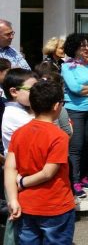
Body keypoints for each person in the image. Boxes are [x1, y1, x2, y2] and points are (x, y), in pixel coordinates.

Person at [4, 79, 76, 244]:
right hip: (55, 206)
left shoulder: (19, 133)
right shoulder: (59, 136)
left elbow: (9, 168)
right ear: (57, 106)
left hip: (26, 205)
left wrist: (13, 200)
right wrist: (22, 182)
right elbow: (47, 173)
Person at [60, 33, 88, 198]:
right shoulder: (67, 67)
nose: (87, 48)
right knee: (76, 147)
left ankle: (85, 176)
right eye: (83, 45)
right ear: (75, 47)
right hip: (75, 111)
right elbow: (74, 88)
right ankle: (75, 180)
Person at [1, 68, 36, 245]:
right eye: (33, 89)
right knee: (17, 218)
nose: (38, 94)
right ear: (14, 92)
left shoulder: (24, 112)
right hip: (17, 173)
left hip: (23, 172)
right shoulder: (15, 115)